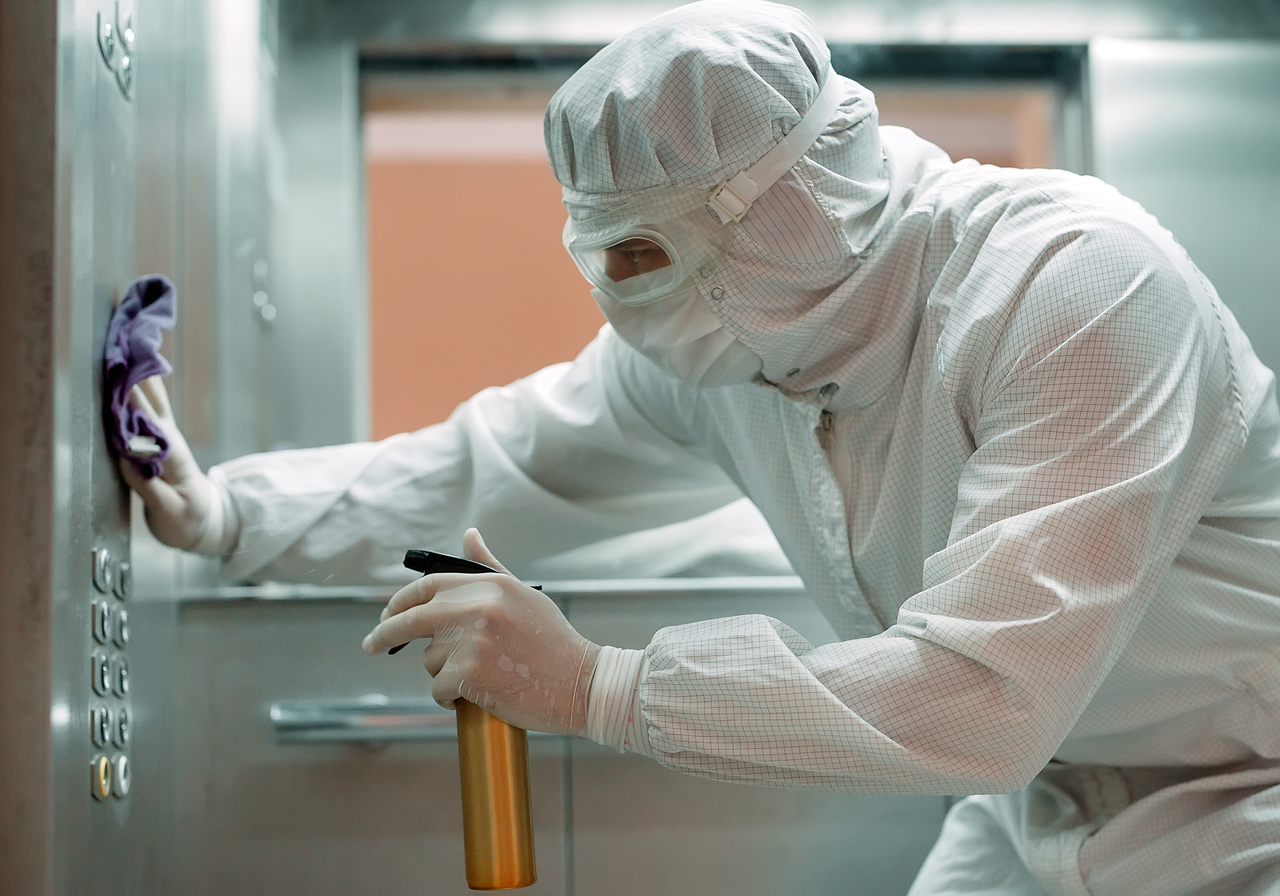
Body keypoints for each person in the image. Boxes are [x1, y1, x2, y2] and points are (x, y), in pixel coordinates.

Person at [122, 2, 1280, 892]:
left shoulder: (1069, 289)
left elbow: (980, 693)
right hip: (1040, 812)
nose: (618, 291)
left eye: (641, 252)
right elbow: (509, 460)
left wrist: (597, 684)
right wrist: (231, 514)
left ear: (776, 213)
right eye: (603, 253)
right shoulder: (727, 346)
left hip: (1246, 810)